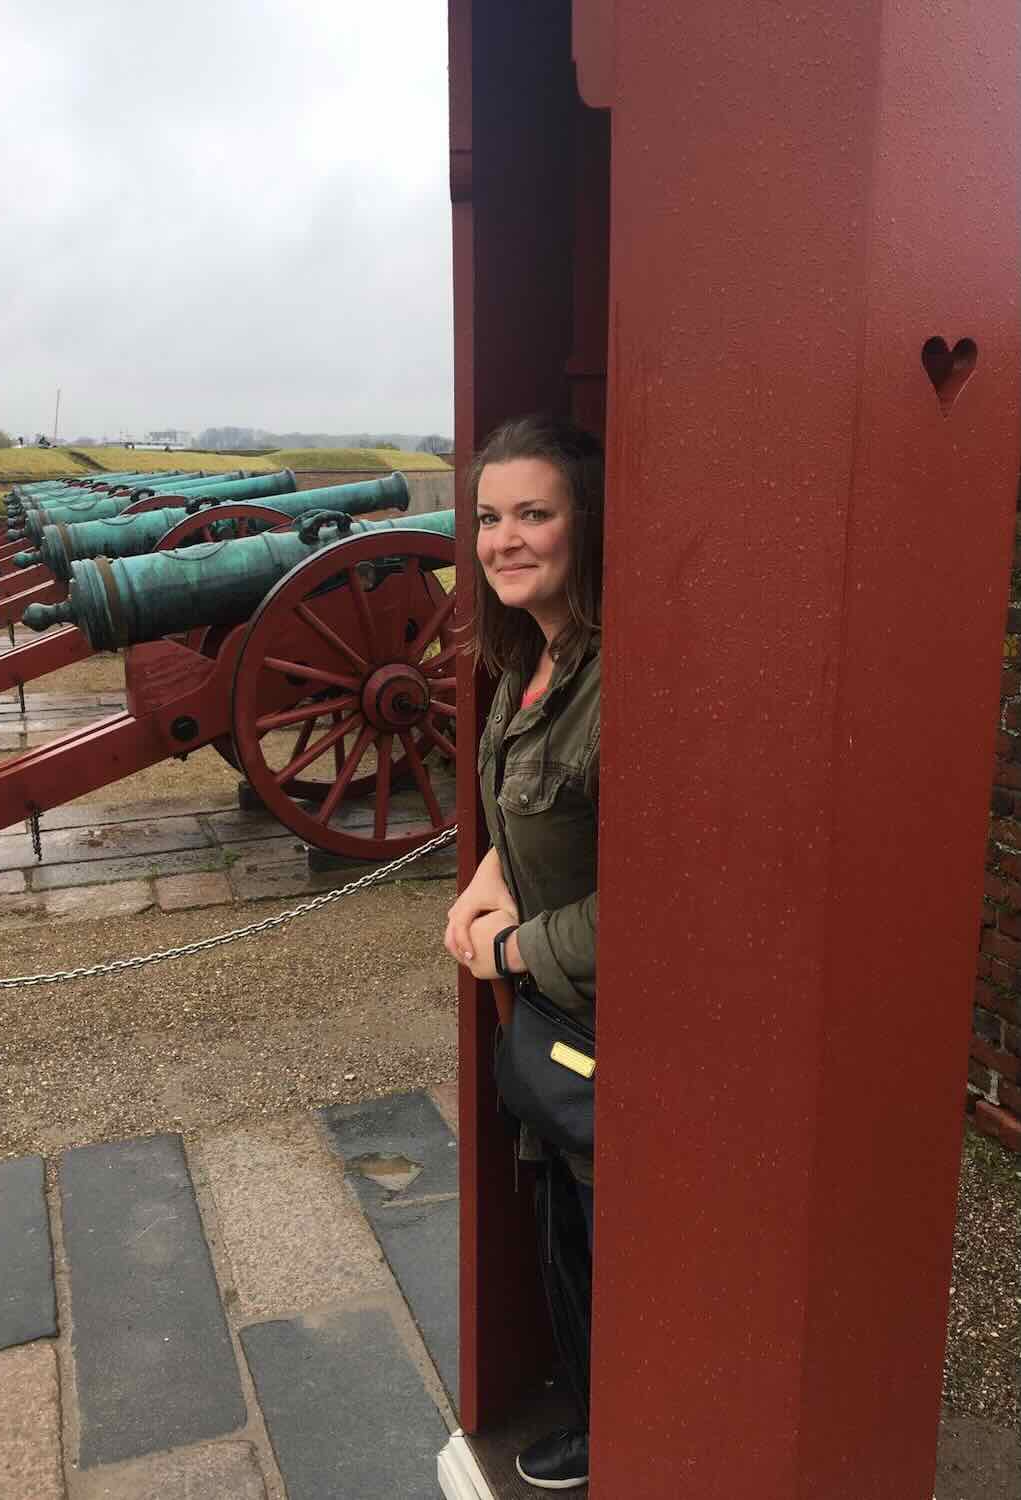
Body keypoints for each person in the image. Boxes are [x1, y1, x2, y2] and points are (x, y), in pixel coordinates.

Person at [444, 413, 602, 1491]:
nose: (505, 539)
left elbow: (669, 902)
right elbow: (527, 809)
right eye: (490, 517)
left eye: (533, 514)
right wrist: (495, 868)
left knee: (618, 1245)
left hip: (610, 1031)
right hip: (560, 1026)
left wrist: (510, 950)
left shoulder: (616, 681)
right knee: (571, 1238)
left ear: (585, 523)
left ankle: (626, 1427)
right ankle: (600, 1411)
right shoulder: (526, 660)